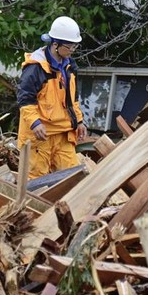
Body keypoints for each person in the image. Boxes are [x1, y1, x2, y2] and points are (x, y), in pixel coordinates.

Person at [17, 16, 88, 179]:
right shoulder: (35, 68)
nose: (73, 50)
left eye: (75, 46)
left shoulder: (70, 66)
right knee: (35, 182)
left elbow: (73, 98)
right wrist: (35, 123)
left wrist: (79, 121)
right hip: (39, 136)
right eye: (70, 46)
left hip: (63, 133)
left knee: (72, 179)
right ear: (55, 44)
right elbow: (25, 100)